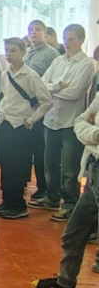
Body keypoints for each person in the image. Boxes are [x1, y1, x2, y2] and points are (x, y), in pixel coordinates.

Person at [31, 92, 99, 288]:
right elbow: (80, 123)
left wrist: (91, 131)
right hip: (94, 170)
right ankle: (65, 284)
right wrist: (96, 135)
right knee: (74, 233)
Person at [30, 24, 96, 221]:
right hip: (51, 118)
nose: (67, 43)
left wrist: (51, 90)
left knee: (70, 167)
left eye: (71, 39)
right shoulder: (58, 60)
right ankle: (52, 197)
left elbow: (74, 93)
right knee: (49, 163)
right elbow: (41, 85)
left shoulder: (87, 64)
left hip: (70, 121)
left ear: (81, 40)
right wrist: (58, 86)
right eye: (65, 39)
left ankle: (69, 203)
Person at [0, 38, 53, 219]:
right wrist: (1, 113)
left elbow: (46, 101)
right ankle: (7, 200)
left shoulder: (30, 76)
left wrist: (31, 120)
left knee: (18, 166)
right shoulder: (5, 74)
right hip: (5, 122)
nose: (9, 54)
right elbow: (5, 96)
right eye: (7, 50)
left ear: (23, 52)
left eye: (13, 51)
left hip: (20, 125)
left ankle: (19, 205)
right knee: (6, 164)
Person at [24, 19, 61, 200]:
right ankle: (25, 182)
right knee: (27, 149)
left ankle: (44, 187)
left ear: (45, 34)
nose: (34, 32)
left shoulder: (52, 54)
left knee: (41, 152)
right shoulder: (26, 52)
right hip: (25, 108)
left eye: (38, 29)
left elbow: (51, 82)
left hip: (42, 109)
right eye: (31, 29)